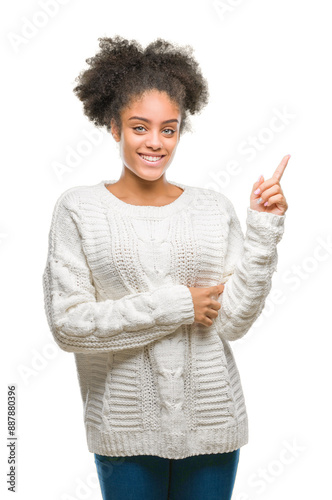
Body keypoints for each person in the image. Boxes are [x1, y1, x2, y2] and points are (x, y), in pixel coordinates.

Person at [42, 35, 289, 500]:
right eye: (139, 127)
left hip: (214, 423)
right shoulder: (79, 209)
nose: (155, 143)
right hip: (124, 429)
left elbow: (233, 321)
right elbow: (69, 326)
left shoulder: (212, 209)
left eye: (169, 129)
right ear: (113, 127)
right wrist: (179, 304)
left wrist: (263, 229)